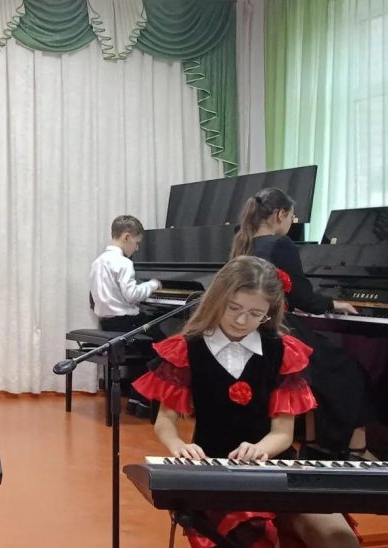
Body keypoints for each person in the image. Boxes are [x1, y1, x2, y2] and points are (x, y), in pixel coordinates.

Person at [133, 256, 358, 547]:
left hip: (276, 468)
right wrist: (178, 446)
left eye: (255, 313)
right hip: (217, 473)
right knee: (252, 536)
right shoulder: (189, 348)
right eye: (234, 308)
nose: (241, 321)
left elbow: (282, 434)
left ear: (270, 312)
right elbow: (165, 421)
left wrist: (260, 449)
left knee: (339, 538)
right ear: (217, 299)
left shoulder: (281, 350)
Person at [230, 187, 371, 460]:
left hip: (256, 328)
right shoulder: (280, 244)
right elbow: (302, 296)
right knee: (348, 369)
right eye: (291, 218)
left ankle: (314, 442)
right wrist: (333, 303)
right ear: (279, 214)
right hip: (278, 328)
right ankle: (354, 449)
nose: (291, 224)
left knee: (323, 369)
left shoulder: (243, 242)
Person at [89, 215, 162, 416]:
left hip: (107, 323)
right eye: (137, 243)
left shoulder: (98, 262)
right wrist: (152, 285)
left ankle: (136, 397)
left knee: (148, 347)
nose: (137, 249)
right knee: (164, 347)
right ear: (127, 237)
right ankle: (143, 400)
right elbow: (132, 296)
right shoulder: (123, 263)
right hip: (126, 323)